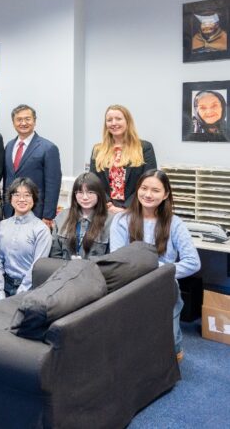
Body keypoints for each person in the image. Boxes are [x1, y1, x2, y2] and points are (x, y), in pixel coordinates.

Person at [110, 170, 200, 361]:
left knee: (169, 351)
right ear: (137, 189)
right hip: (130, 283)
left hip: (163, 286)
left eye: (156, 190)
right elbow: (117, 259)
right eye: (144, 188)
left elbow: (193, 263)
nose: (148, 195)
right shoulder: (121, 220)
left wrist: (158, 270)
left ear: (166, 194)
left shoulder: (174, 224)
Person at [0, 178, 52, 300]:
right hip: (5, 286)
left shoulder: (41, 229)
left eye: (27, 195)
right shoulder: (3, 225)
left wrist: (20, 293)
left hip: (29, 289)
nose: (22, 199)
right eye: (17, 195)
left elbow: (37, 266)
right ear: (10, 198)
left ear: (34, 199)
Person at [89, 104, 157, 213]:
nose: (114, 123)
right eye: (109, 120)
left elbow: (148, 181)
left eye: (118, 119)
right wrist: (108, 204)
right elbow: (93, 181)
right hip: (106, 210)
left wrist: (126, 208)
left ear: (127, 122)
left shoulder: (144, 148)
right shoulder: (98, 150)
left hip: (135, 209)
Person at [3, 104, 61, 227]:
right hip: (11, 211)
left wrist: (48, 215)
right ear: (13, 123)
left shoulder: (48, 148)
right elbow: (7, 179)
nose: (23, 123)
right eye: (19, 120)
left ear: (34, 121)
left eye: (27, 119)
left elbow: (53, 184)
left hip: (37, 212)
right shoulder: (9, 146)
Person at [50, 172, 114, 260]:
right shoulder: (62, 217)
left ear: (99, 194)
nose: (85, 197)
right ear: (74, 194)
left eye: (90, 192)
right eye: (80, 192)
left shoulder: (111, 221)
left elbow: (111, 259)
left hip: (95, 272)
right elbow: (55, 255)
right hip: (65, 271)